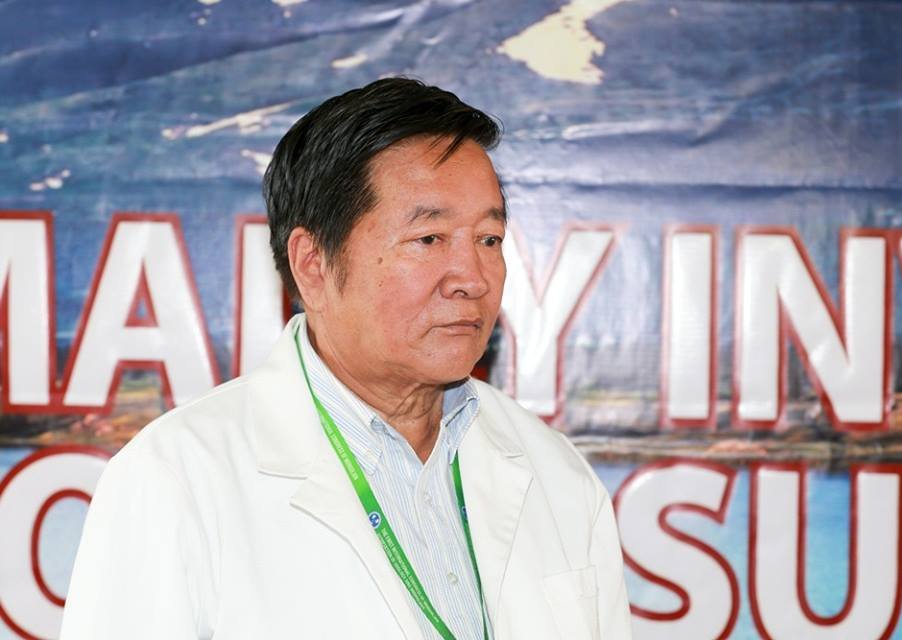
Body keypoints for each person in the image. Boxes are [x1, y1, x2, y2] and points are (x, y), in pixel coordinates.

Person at [61, 78, 631, 639]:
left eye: (489, 239)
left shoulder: (555, 473)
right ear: (312, 264)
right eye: (429, 239)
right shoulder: (176, 478)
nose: (473, 279)